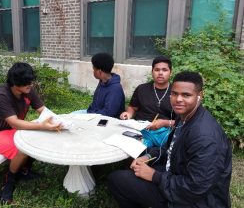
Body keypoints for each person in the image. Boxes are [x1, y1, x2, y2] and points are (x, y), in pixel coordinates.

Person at [108, 71, 232, 208]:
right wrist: (148, 156)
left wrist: (154, 176)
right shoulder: (184, 116)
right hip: (175, 173)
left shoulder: (205, 138)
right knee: (133, 163)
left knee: (116, 179)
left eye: (186, 95)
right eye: (174, 93)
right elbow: (171, 150)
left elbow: (195, 188)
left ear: (199, 96)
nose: (178, 99)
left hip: (194, 201)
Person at [0, 62, 62, 204]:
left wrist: (60, 121)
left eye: (31, 81)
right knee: (23, 147)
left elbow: (43, 110)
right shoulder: (1, 95)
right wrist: (42, 126)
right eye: (26, 83)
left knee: (39, 139)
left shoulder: (28, 90)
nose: (30, 85)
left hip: (12, 130)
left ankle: (24, 170)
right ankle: (8, 182)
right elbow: (15, 123)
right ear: (14, 82)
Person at [120, 56, 175, 147]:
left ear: (170, 72)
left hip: (164, 131)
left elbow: (182, 121)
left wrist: (164, 123)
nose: (160, 73)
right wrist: (128, 114)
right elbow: (133, 107)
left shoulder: (176, 93)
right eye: (157, 70)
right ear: (152, 72)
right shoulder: (142, 89)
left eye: (164, 70)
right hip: (141, 128)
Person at [75, 52, 125, 118]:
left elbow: (108, 113)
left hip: (103, 120)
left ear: (99, 71)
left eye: (94, 69)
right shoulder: (103, 82)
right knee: (69, 117)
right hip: (92, 113)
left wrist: (89, 116)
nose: (93, 71)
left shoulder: (115, 89)